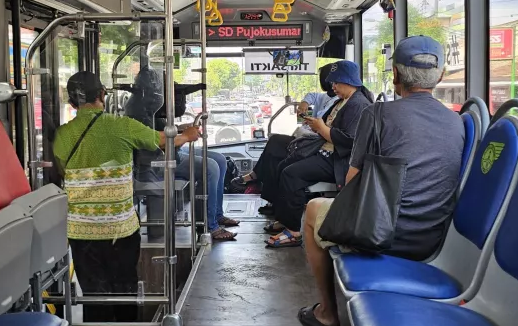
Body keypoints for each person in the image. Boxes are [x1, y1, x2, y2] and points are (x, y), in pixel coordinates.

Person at [297, 36, 465, 326]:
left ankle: (327, 312)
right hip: (432, 236)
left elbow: (352, 184)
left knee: (312, 211)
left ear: (396, 75)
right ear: (439, 76)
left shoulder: (378, 114)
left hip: (379, 235)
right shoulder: (458, 122)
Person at [53, 71, 201, 321]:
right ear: (102, 95)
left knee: (92, 290)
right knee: (124, 285)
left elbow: (61, 170)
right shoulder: (121, 126)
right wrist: (188, 135)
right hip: (118, 228)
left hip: (80, 230)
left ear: (72, 104)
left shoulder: (62, 135)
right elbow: (163, 140)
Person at [125, 40, 238, 241]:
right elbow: (153, 141)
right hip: (154, 162)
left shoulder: (147, 104)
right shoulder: (138, 108)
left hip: (167, 153)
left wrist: (180, 128)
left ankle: (216, 215)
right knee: (210, 167)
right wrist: (185, 137)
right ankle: (208, 227)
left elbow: (158, 129)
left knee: (220, 159)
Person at [266, 60, 374, 248]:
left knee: (291, 174)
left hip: (338, 160)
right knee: (283, 165)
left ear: (347, 81)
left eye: (336, 83)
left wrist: (322, 129)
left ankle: (294, 231)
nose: (333, 87)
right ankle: (285, 218)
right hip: (324, 150)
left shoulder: (358, 104)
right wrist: (316, 125)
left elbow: (350, 141)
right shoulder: (343, 101)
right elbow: (326, 125)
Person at [231, 63, 337, 215]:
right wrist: (304, 103)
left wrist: (316, 126)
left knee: (276, 146)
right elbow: (312, 96)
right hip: (309, 139)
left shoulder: (341, 103)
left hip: (317, 144)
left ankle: (256, 177)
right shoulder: (327, 97)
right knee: (274, 154)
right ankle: (273, 201)